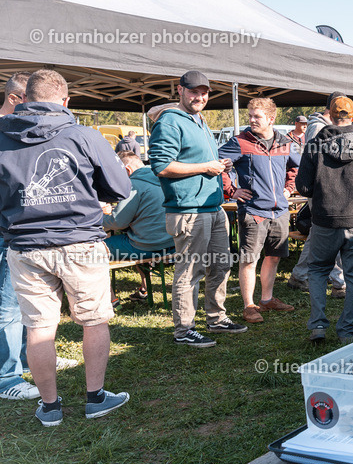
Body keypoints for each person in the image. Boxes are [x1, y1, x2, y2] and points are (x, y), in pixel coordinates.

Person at [0, 70, 133, 426]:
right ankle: (95, 398)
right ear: (65, 101)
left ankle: (50, 407)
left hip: (26, 246)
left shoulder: (2, 135)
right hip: (79, 241)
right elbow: (120, 186)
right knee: (93, 320)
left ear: (24, 99)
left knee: (39, 327)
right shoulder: (83, 134)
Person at [148, 70, 247, 347]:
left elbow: (199, 161)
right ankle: (184, 330)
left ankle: (216, 318)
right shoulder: (170, 122)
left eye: (204, 92)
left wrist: (218, 166)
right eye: (193, 91)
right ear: (180, 90)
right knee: (190, 271)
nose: (199, 97)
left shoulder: (199, 119)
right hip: (188, 211)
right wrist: (206, 167)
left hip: (213, 207)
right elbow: (162, 166)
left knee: (221, 265)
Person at [296, 95, 353, 342]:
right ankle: (346, 331)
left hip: (325, 219)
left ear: (329, 113)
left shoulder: (315, 144)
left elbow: (303, 187)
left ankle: (318, 326)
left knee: (317, 270)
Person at [218, 97, 301, 323]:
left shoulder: (285, 143)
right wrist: (231, 190)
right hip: (254, 211)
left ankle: (267, 299)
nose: (252, 120)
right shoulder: (240, 142)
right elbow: (217, 163)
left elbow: (296, 166)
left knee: (273, 257)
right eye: (250, 116)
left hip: (280, 211)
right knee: (249, 259)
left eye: (257, 116)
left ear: (271, 119)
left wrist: (289, 187)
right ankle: (249, 306)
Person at [288, 92, 353, 296]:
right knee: (330, 233)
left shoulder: (319, 125)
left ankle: (300, 276)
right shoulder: (318, 127)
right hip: (323, 189)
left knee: (319, 234)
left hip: (327, 189)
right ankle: (339, 282)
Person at [0, 72, 35, 400]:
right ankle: (7, 379)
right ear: (15, 99)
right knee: (8, 306)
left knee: (20, 301)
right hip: (5, 232)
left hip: (17, 231)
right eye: (32, 101)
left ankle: (25, 358)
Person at [102, 151, 176, 301]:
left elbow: (118, 222)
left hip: (146, 245)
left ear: (127, 170)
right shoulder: (164, 177)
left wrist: (100, 217)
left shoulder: (134, 184)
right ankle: (144, 288)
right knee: (134, 235)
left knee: (93, 249)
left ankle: (111, 299)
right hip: (172, 242)